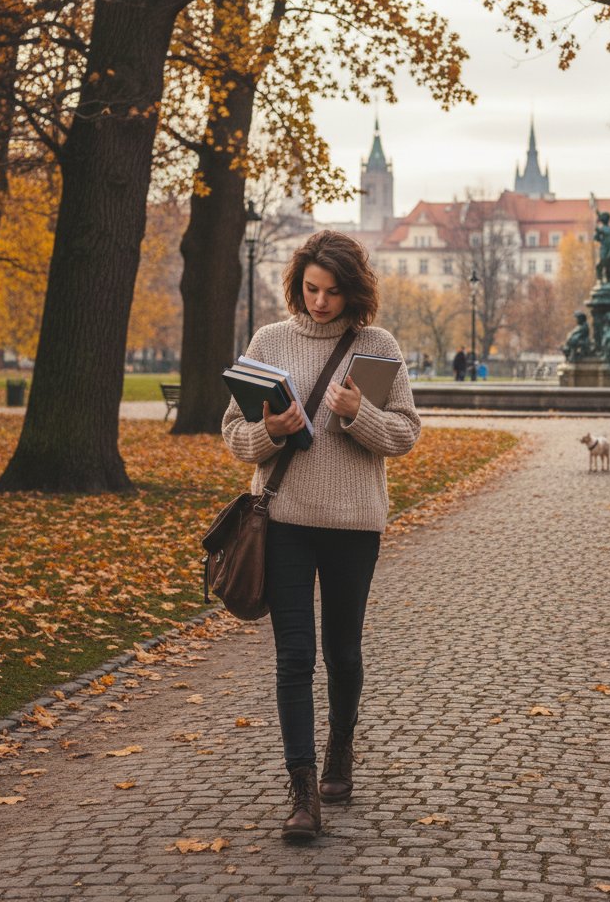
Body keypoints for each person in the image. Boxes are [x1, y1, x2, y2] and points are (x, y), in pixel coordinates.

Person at [222, 230, 420, 842]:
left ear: (353, 291)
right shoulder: (269, 342)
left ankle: (340, 751)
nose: (320, 302)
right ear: (297, 284)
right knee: (294, 656)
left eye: (333, 292)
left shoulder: (376, 347)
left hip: (354, 524)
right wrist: (272, 431)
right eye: (311, 289)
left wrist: (359, 413)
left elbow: (407, 434)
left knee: (343, 651)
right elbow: (233, 435)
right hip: (282, 519)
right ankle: (301, 789)